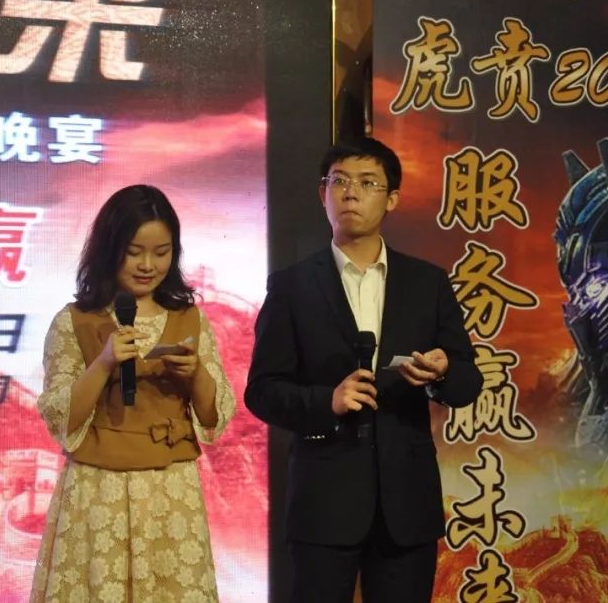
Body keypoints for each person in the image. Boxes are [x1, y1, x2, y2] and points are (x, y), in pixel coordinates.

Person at [245, 138, 483, 603]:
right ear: (323, 194)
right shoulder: (292, 286)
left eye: (368, 183)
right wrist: (326, 401)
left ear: (391, 199)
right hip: (323, 500)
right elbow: (262, 390)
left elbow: (467, 380)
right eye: (339, 182)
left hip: (406, 501)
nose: (351, 193)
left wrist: (440, 373)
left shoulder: (427, 283)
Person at [30, 184, 235, 603]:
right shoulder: (74, 321)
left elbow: (215, 416)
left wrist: (195, 373)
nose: (147, 265)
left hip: (171, 490)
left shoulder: (190, 319)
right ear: (109, 249)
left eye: (161, 252)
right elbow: (59, 416)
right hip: (97, 489)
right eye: (134, 251)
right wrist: (103, 363)